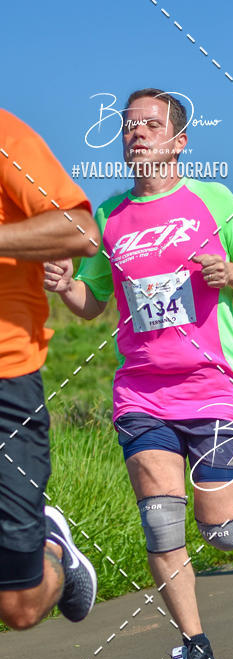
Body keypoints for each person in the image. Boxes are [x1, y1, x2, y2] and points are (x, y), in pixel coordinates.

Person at [44, 89, 233, 659]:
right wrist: (65, 284)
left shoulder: (213, 199)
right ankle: (196, 644)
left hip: (213, 385)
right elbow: (93, 303)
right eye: (129, 126)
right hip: (142, 392)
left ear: (179, 141)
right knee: (159, 522)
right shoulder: (108, 216)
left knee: (219, 527)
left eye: (151, 125)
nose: (137, 134)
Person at [0, 109, 100, 630]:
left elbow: (79, 230)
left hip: (6, 378)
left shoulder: (5, 134)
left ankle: (53, 547)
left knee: (19, 607)